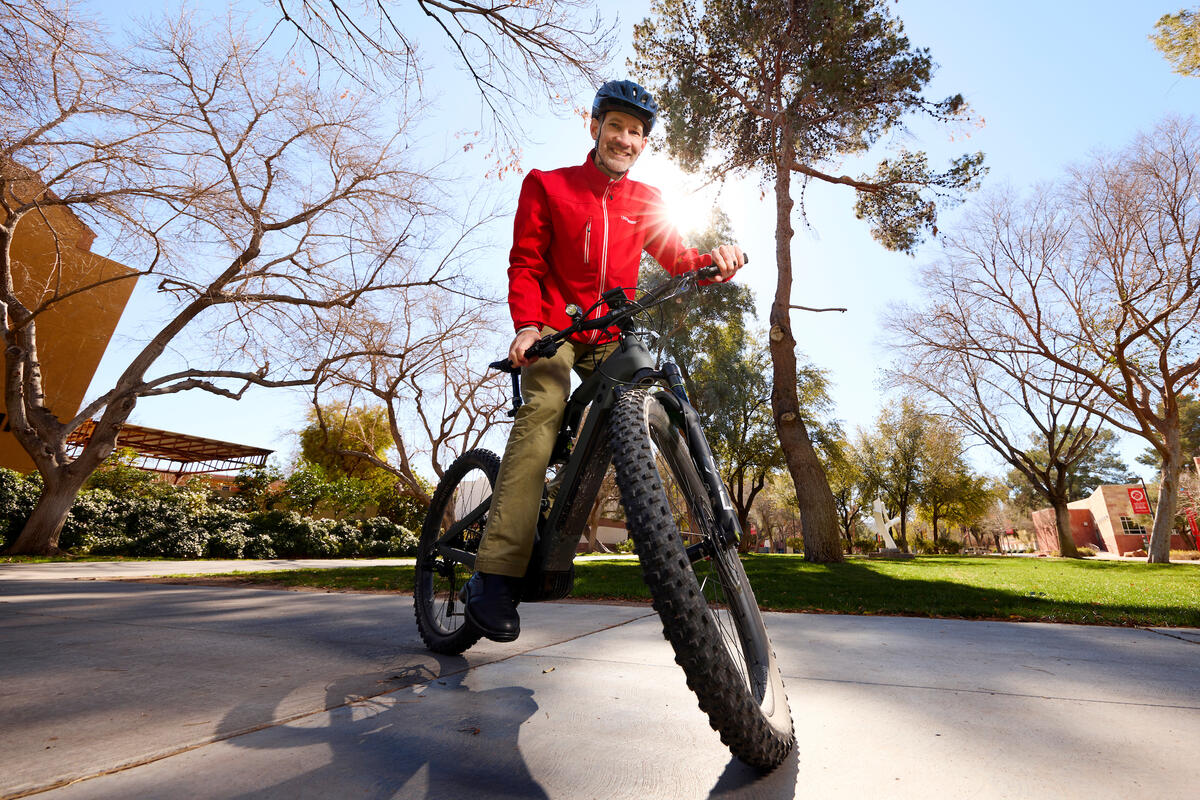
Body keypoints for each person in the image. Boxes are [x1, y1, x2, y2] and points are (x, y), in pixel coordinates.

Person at [463, 79, 745, 642]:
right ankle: (493, 576)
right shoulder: (548, 185)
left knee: (646, 379)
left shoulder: (647, 202)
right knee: (544, 409)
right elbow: (525, 263)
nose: (625, 138)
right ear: (594, 127)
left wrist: (715, 261)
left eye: (637, 132)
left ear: (643, 144)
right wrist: (526, 326)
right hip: (553, 327)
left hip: (611, 329)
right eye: (615, 126)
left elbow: (677, 256)